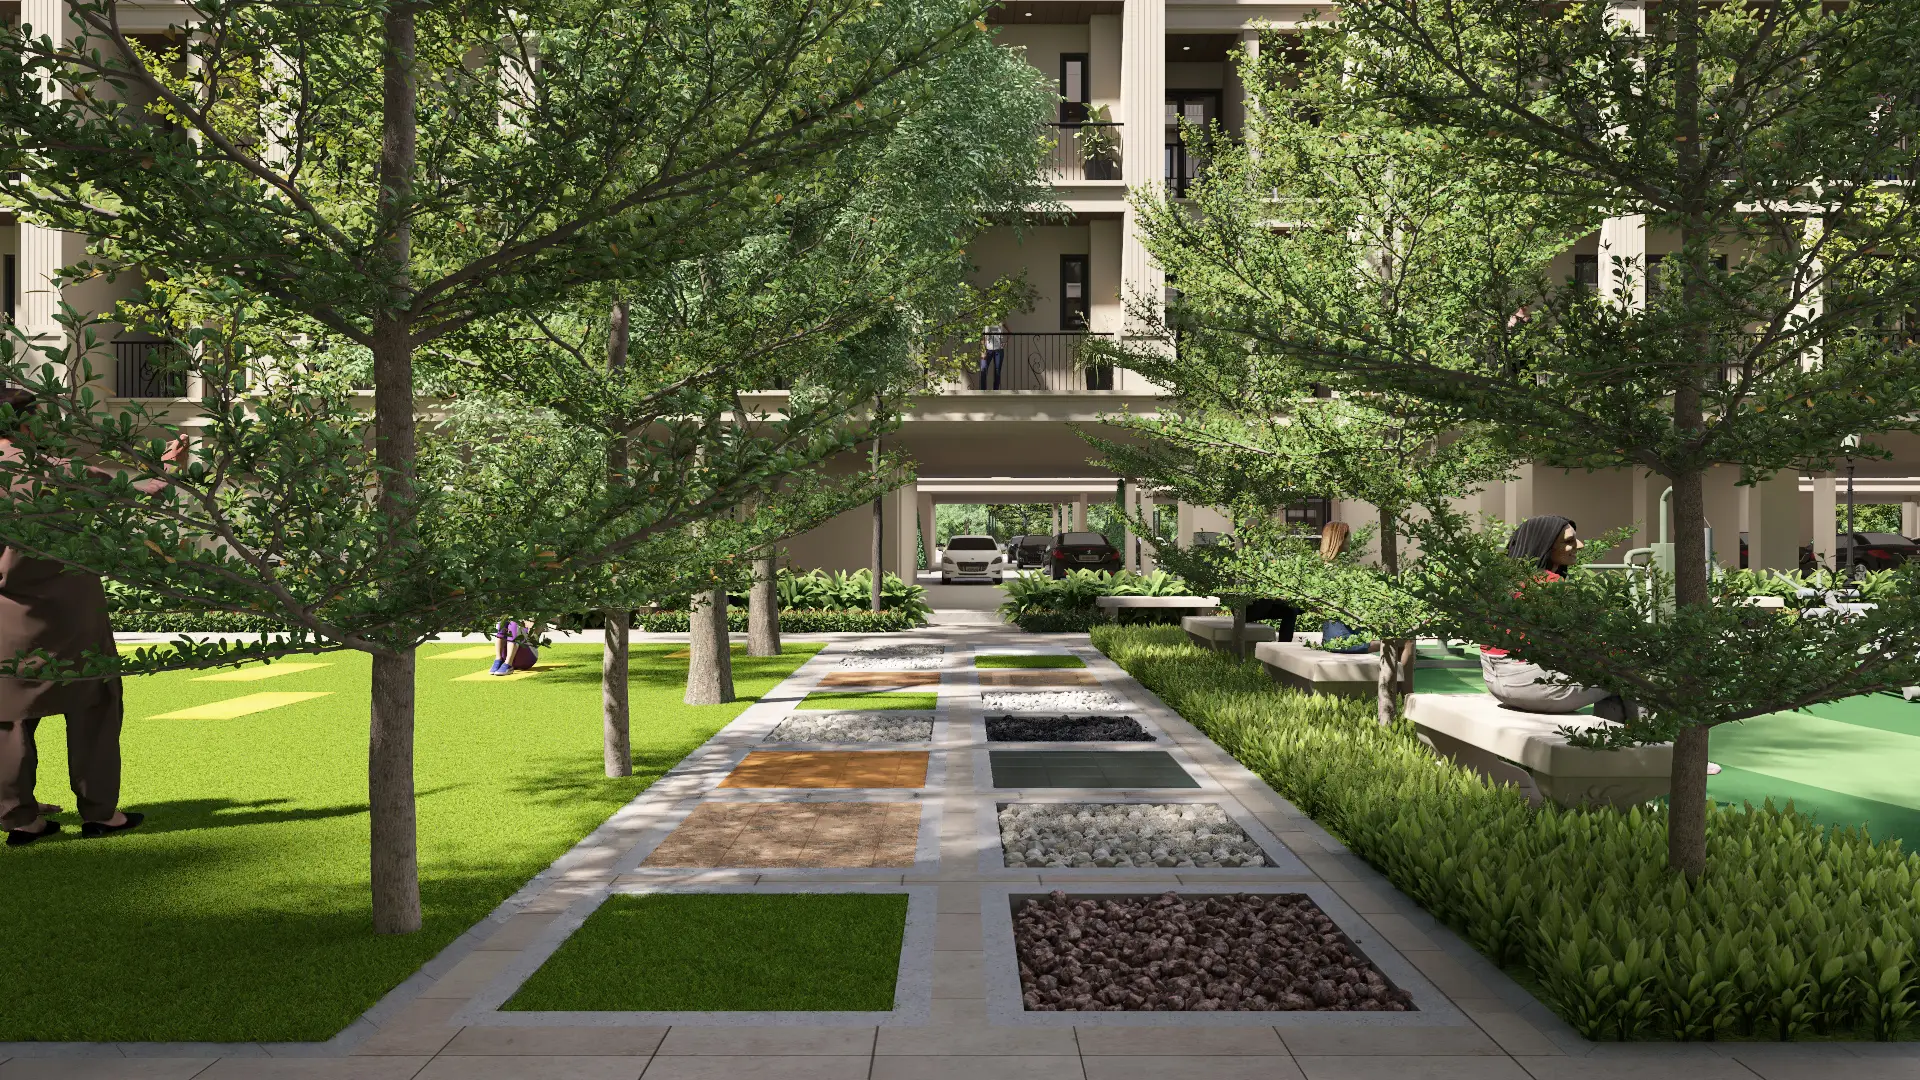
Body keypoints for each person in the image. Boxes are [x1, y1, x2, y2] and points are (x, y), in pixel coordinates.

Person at [0, 388, 179, 846]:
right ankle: (100, 812)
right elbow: (144, 491)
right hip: (72, 608)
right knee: (94, 705)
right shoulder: (55, 473)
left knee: (10, 716)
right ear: (25, 425)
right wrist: (169, 465)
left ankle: (20, 819)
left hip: (5, 616)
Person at [1480, 515, 1633, 721]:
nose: (1580, 545)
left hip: (1495, 681)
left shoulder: (1503, 581)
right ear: (1545, 546)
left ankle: (1619, 743)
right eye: (1569, 541)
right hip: (1530, 685)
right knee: (1631, 673)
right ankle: (1647, 745)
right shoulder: (1550, 585)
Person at [978, 322, 1006, 391]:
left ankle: (995, 391)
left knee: (997, 371)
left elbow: (1009, 333)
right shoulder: (986, 319)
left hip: (999, 350)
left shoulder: (1000, 319)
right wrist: (983, 350)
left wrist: (1005, 342)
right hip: (987, 349)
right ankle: (983, 391)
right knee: (983, 369)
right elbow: (982, 337)